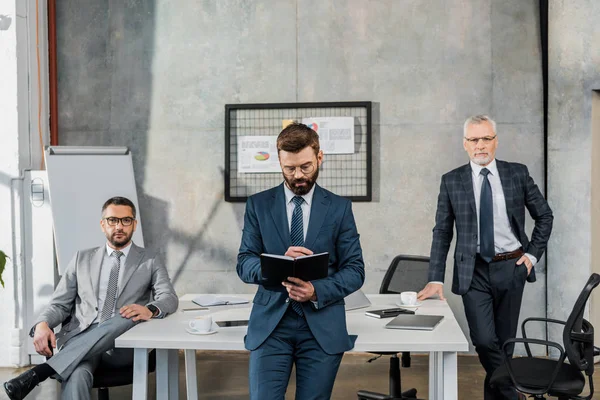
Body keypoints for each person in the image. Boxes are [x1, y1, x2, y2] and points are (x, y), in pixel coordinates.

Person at [417, 115, 553, 400]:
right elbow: (442, 232)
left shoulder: (517, 173)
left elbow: (544, 216)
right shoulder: (452, 181)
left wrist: (532, 255)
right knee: (483, 340)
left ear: (496, 141)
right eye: (474, 140)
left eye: (486, 138)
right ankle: (514, 393)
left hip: (512, 267)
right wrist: (435, 278)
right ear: (465, 144)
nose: (481, 145)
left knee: (504, 344)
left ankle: (500, 395)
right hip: (473, 271)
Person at [3, 196, 178, 400]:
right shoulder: (81, 258)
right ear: (103, 225)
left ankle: (42, 372)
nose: (119, 226)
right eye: (112, 220)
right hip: (80, 339)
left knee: (127, 315)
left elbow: (169, 297)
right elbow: (59, 303)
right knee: (76, 375)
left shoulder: (150, 258)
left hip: (120, 345)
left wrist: (150, 309)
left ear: (134, 224)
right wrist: (42, 324)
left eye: (126, 220)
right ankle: (47, 370)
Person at [237, 122, 365, 400]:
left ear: (320, 157)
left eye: (305, 167)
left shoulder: (340, 208)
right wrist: (278, 262)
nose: (297, 176)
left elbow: (355, 270)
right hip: (271, 324)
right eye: (289, 168)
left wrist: (316, 291)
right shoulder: (258, 205)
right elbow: (244, 262)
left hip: (321, 325)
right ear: (279, 161)